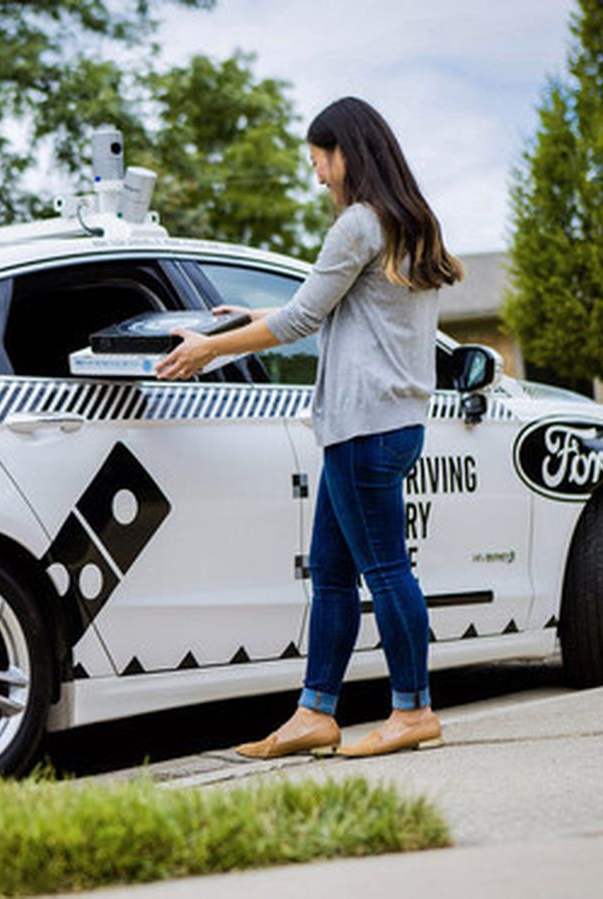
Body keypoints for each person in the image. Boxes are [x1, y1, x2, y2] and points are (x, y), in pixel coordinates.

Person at [156, 96, 463, 758]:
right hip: (386, 424)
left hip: (362, 427)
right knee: (330, 569)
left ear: (346, 152)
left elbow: (300, 320)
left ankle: (413, 710)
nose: (318, 175)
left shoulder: (357, 223)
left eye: (320, 161)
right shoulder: (408, 222)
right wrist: (250, 315)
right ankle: (315, 712)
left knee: (384, 571)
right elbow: (329, 306)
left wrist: (209, 348)